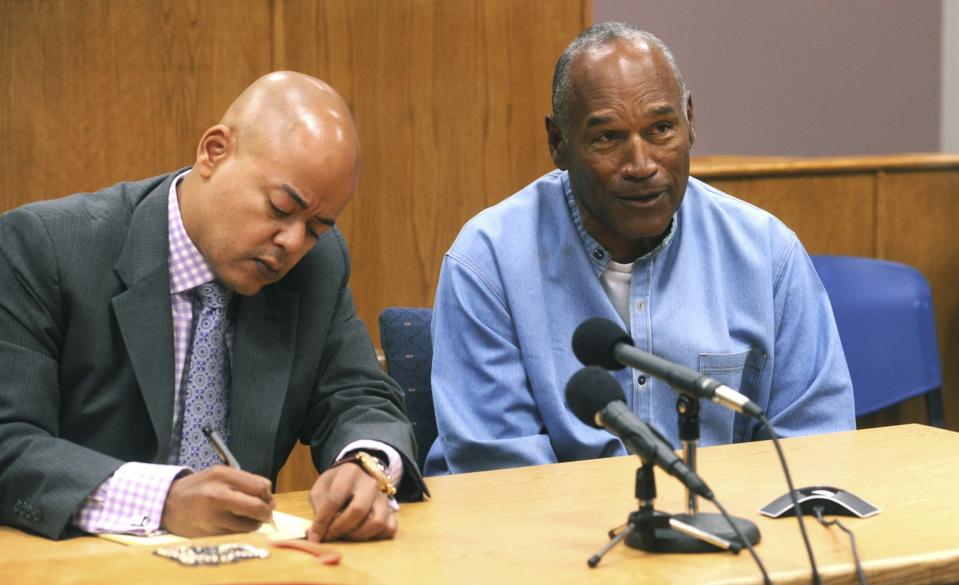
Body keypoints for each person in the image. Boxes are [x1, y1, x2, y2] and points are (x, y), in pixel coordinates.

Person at [0, 71, 426, 541]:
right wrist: (162, 499)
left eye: (316, 228)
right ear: (214, 152)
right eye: (280, 209)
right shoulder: (45, 249)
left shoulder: (317, 266)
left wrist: (366, 464)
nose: (292, 242)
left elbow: (358, 397)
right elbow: (11, 443)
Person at [425, 23, 855, 475]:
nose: (642, 164)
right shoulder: (488, 262)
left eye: (661, 128)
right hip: (553, 539)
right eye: (608, 137)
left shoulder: (766, 253)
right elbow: (501, 474)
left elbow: (815, 447)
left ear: (691, 121)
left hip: (732, 532)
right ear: (558, 143)